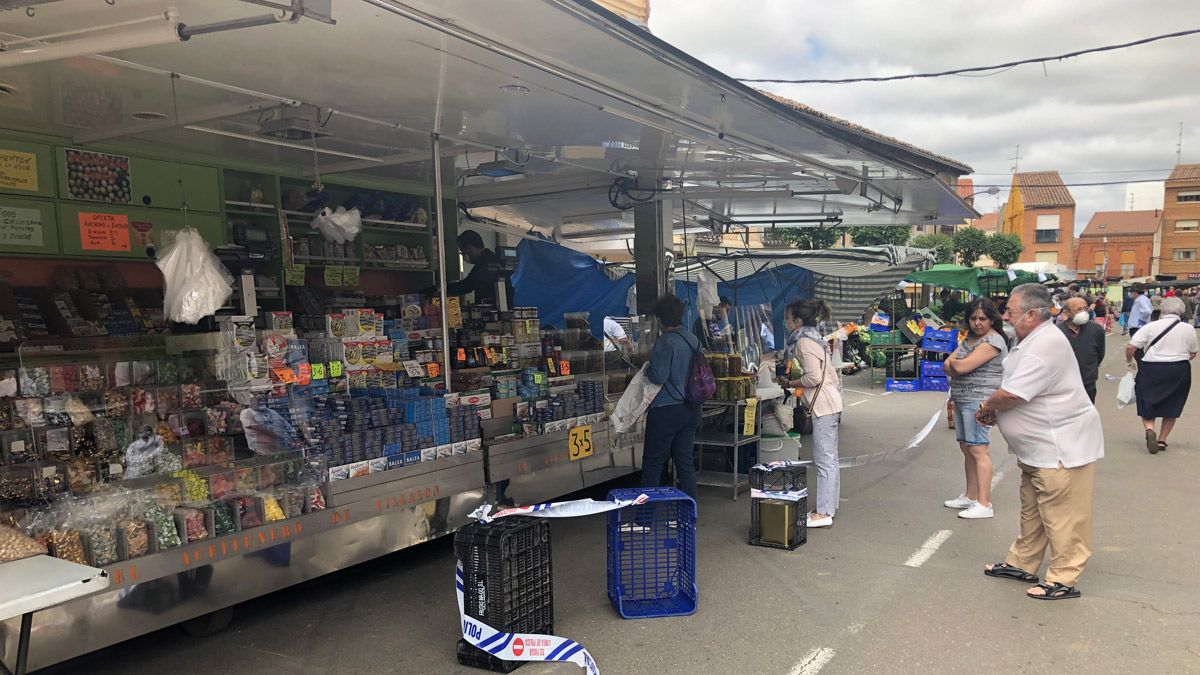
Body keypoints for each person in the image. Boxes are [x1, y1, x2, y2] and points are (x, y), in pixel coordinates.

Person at [978, 284, 1103, 600]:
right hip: (1037, 450)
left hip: (1059, 447)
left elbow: (1012, 394)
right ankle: (1022, 563)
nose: (1005, 315)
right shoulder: (1030, 340)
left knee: (1064, 516)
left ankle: (1063, 578)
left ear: (1031, 314)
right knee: (1033, 511)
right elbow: (1017, 391)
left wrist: (988, 407)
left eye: (1010, 310)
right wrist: (997, 411)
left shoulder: (1043, 344)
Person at [942, 298, 1008, 519]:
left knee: (979, 449)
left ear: (991, 320)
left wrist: (956, 365)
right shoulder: (970, 340)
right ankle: (971, 496)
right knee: (966, 447)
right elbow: (947, 365)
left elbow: (960, 365)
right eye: (973, 318)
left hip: (979, 401)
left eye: (982, 318)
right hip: (962, 399)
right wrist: (954, 366)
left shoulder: (993, 341)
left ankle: (984, 502)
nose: (977, 323)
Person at [781, 299, 842, 529]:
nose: (786, 322)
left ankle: (823, 512)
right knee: (831, 459)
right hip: (830, 403)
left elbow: (813, 378)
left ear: (797, 321)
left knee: (824, 459)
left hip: (823, 406)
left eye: (787, 318)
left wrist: (791, 382)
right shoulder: (815, 337)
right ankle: (829, 507)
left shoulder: (803, 342)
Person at [640, 295, 701, 503]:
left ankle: (644, 519)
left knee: (653, 463)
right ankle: (689, 516)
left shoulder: (665, 342)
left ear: (660, 319)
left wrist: (647, 368)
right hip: (691, 408)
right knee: (684, 463)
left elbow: (659, 376)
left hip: (666, 409)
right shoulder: (693, 339)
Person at [1125, 296, 1199, 454]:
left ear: (1162, 310)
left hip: (1151, 367)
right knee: (1173, 404)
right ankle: (1162, 440)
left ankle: (1150, 429)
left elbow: (1131, 347)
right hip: (1179, 369)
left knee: (1147, 401)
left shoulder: (1151, 326)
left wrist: (1129, 360)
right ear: (1181, 311)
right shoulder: (1188, 329)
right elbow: (1193, 353)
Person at [437, 230, 514, 305]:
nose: (463, 256)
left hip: (496, 311)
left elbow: (467, 285)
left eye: (463, 252)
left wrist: (440, 290)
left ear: (470, 248)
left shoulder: (486, 263)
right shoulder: (487, 259)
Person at [1058, 296, 1106, 403]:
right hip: (1063, 383)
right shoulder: (1057, 331)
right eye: (1079, 309)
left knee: (1087, 414)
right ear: (1067, 312)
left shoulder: (1096, 330)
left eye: (1086, 309)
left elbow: (1100, 354)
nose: (1083, 312)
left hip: (1088, 381)